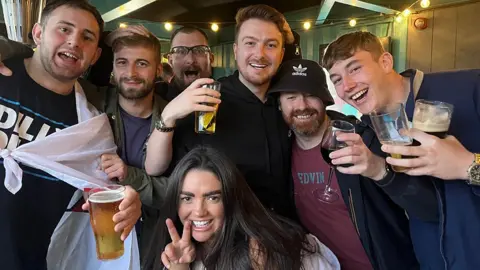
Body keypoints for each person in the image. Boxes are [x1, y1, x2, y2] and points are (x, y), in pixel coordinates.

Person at [0, 1, 141, 269]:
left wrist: (126, 202)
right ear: (38, 33)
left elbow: (98, 193)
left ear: (95, 55)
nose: (74, 42)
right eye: (64, 29)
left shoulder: (91, 128)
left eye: (87, 37)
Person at [323, 31, 480, 269]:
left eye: (354, 68)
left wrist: (468, 166)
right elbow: (430, 210)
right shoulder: (370, 131)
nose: (347, 86)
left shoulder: (470, 87)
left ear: (385, 62)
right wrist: (378, 170)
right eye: (336, 79)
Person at [145, 4, 297, 220]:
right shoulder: (210, 98)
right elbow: (153, 167)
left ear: (282, 54)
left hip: (283, 230)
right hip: (230, 237)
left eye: (270, 45)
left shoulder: (287, 99)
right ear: (236, 50)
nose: (259, 54)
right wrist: (169, 114)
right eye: (250, 43)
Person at [269, 58, 420, 269]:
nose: (301, 105)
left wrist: (379, 169)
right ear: (279, 104)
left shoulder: (364, 140)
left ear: (324, 99)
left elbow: (420, 204)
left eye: (311, 95)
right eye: (291, 97)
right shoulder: (281, 152)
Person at [144, 146, 340, 270]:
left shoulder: (273, 249)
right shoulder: (174, 255)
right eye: (187, 198)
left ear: (231, 199)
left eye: (212, 197)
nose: (198, 211)